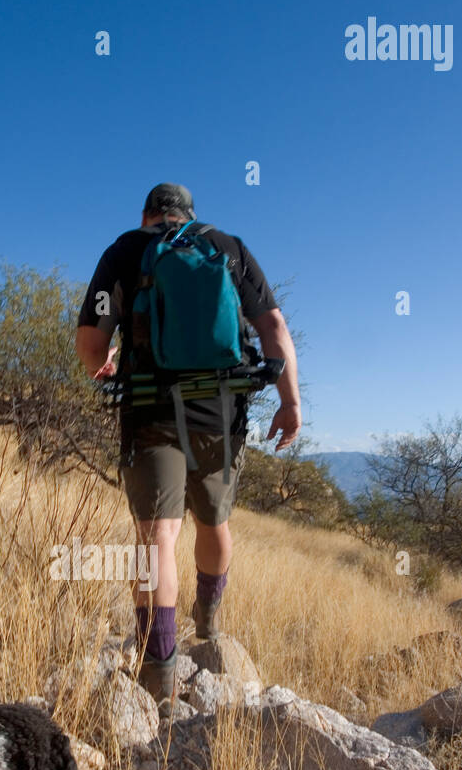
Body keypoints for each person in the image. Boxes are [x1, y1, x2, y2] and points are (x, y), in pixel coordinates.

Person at [75, 182, 301, 710]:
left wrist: (100, 364)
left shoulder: (126, 250)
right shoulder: (228, 248)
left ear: (147, 215)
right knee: (214, 524)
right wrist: (290, 404)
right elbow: (274, 326)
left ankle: (159, 671)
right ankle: (210, 623)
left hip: (151, 409)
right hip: (221, 417)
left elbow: (90, 342)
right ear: (190, 215)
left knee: (157, 536)